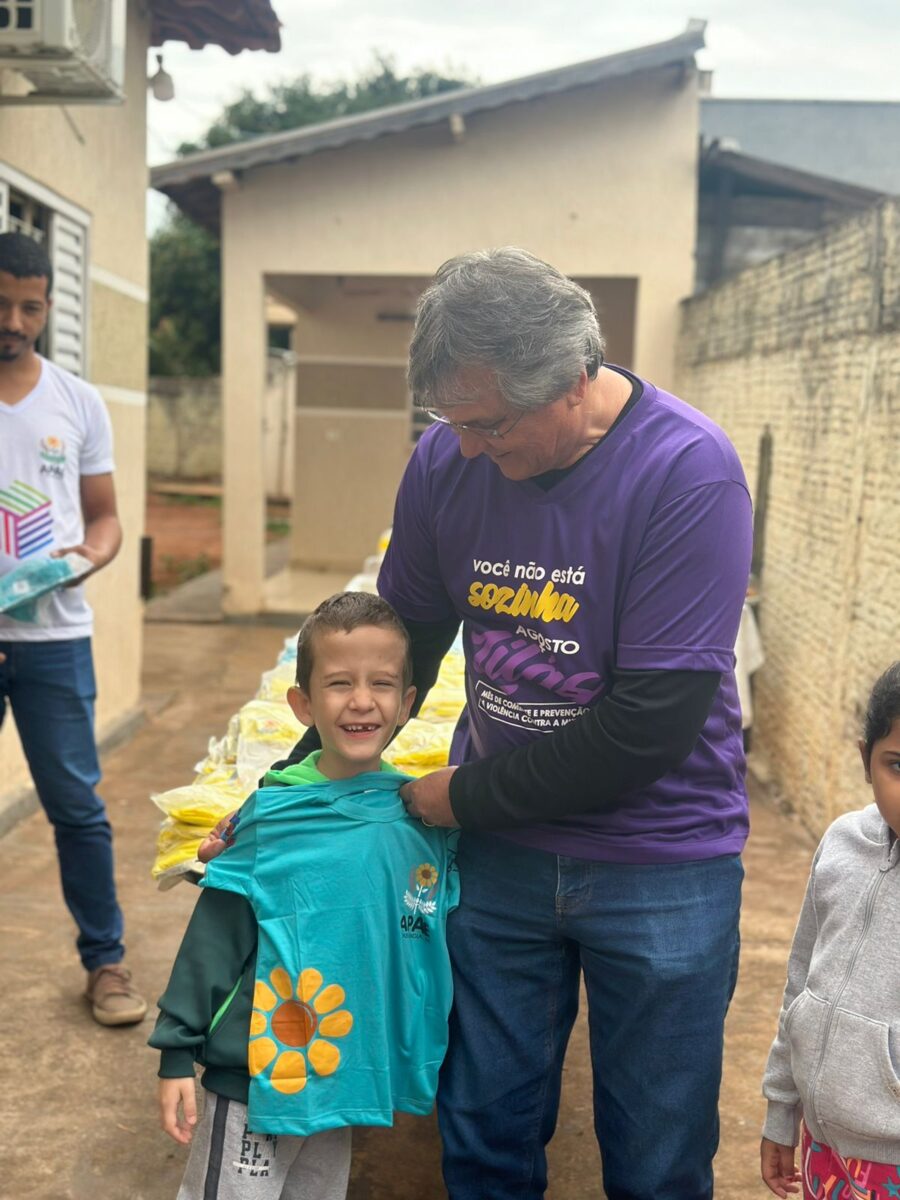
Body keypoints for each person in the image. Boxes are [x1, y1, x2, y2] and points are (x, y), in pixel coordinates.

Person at [272, 247, 753, 1199]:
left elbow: (648, 728)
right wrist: (295, 789)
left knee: (657, 1159)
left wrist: (460, 794)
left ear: (573, 382)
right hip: (501, 864)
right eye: (449, 423)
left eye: (488, 425)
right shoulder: (446, 464)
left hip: (661, 866)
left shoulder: (689, 474)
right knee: (486, 1133)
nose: (464, 450)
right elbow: (399, 636)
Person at [152, 592, 459, 1200]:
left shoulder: (421, 821)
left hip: (341, 1080)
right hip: (254, 1079)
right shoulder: (272, 818)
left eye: (382, 684)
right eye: (339, 683)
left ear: (409, 703)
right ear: (302, 703)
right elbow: (213, 937)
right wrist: (174, 1051)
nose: (362, 701)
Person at [0, 231, 145, 1026]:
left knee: (77, 810)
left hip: (54, 639)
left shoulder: (76, 402)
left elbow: (106, 520)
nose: (14, 320)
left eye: (30, 306)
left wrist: (87, 557)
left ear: (48, 306)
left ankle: (107, 964)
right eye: (1, 304)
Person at [760, 662, 900, 1200]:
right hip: (824, 1148)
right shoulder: (843, 844)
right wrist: (781, 1108)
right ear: (866, 759)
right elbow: (802, 983)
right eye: (898, 765)